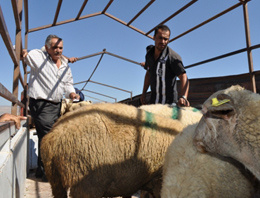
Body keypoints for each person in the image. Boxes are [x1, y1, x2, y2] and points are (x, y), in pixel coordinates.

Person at [22, 34, 80, 180]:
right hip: (41, 103)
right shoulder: (38, 57)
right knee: (51, 136)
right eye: (55, 47)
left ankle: (42, 170)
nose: (58, 50)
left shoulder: (65, 65)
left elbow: (68, 84)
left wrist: (72, 94)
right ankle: (50, 172)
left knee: (45, 137)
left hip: (56, 104)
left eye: (60, 48)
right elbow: (21, 52)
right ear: (47, 47)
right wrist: (23, 52)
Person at [140, 25, 190, 107]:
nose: (163, 42)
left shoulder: (172, 57)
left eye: (165, 39)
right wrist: (144, 93)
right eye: (160, 38)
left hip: (169, 105)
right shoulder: (149, 55)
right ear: (154, 37)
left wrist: (183, 97)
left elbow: (183, 76)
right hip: (154, 102)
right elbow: (148, 74)